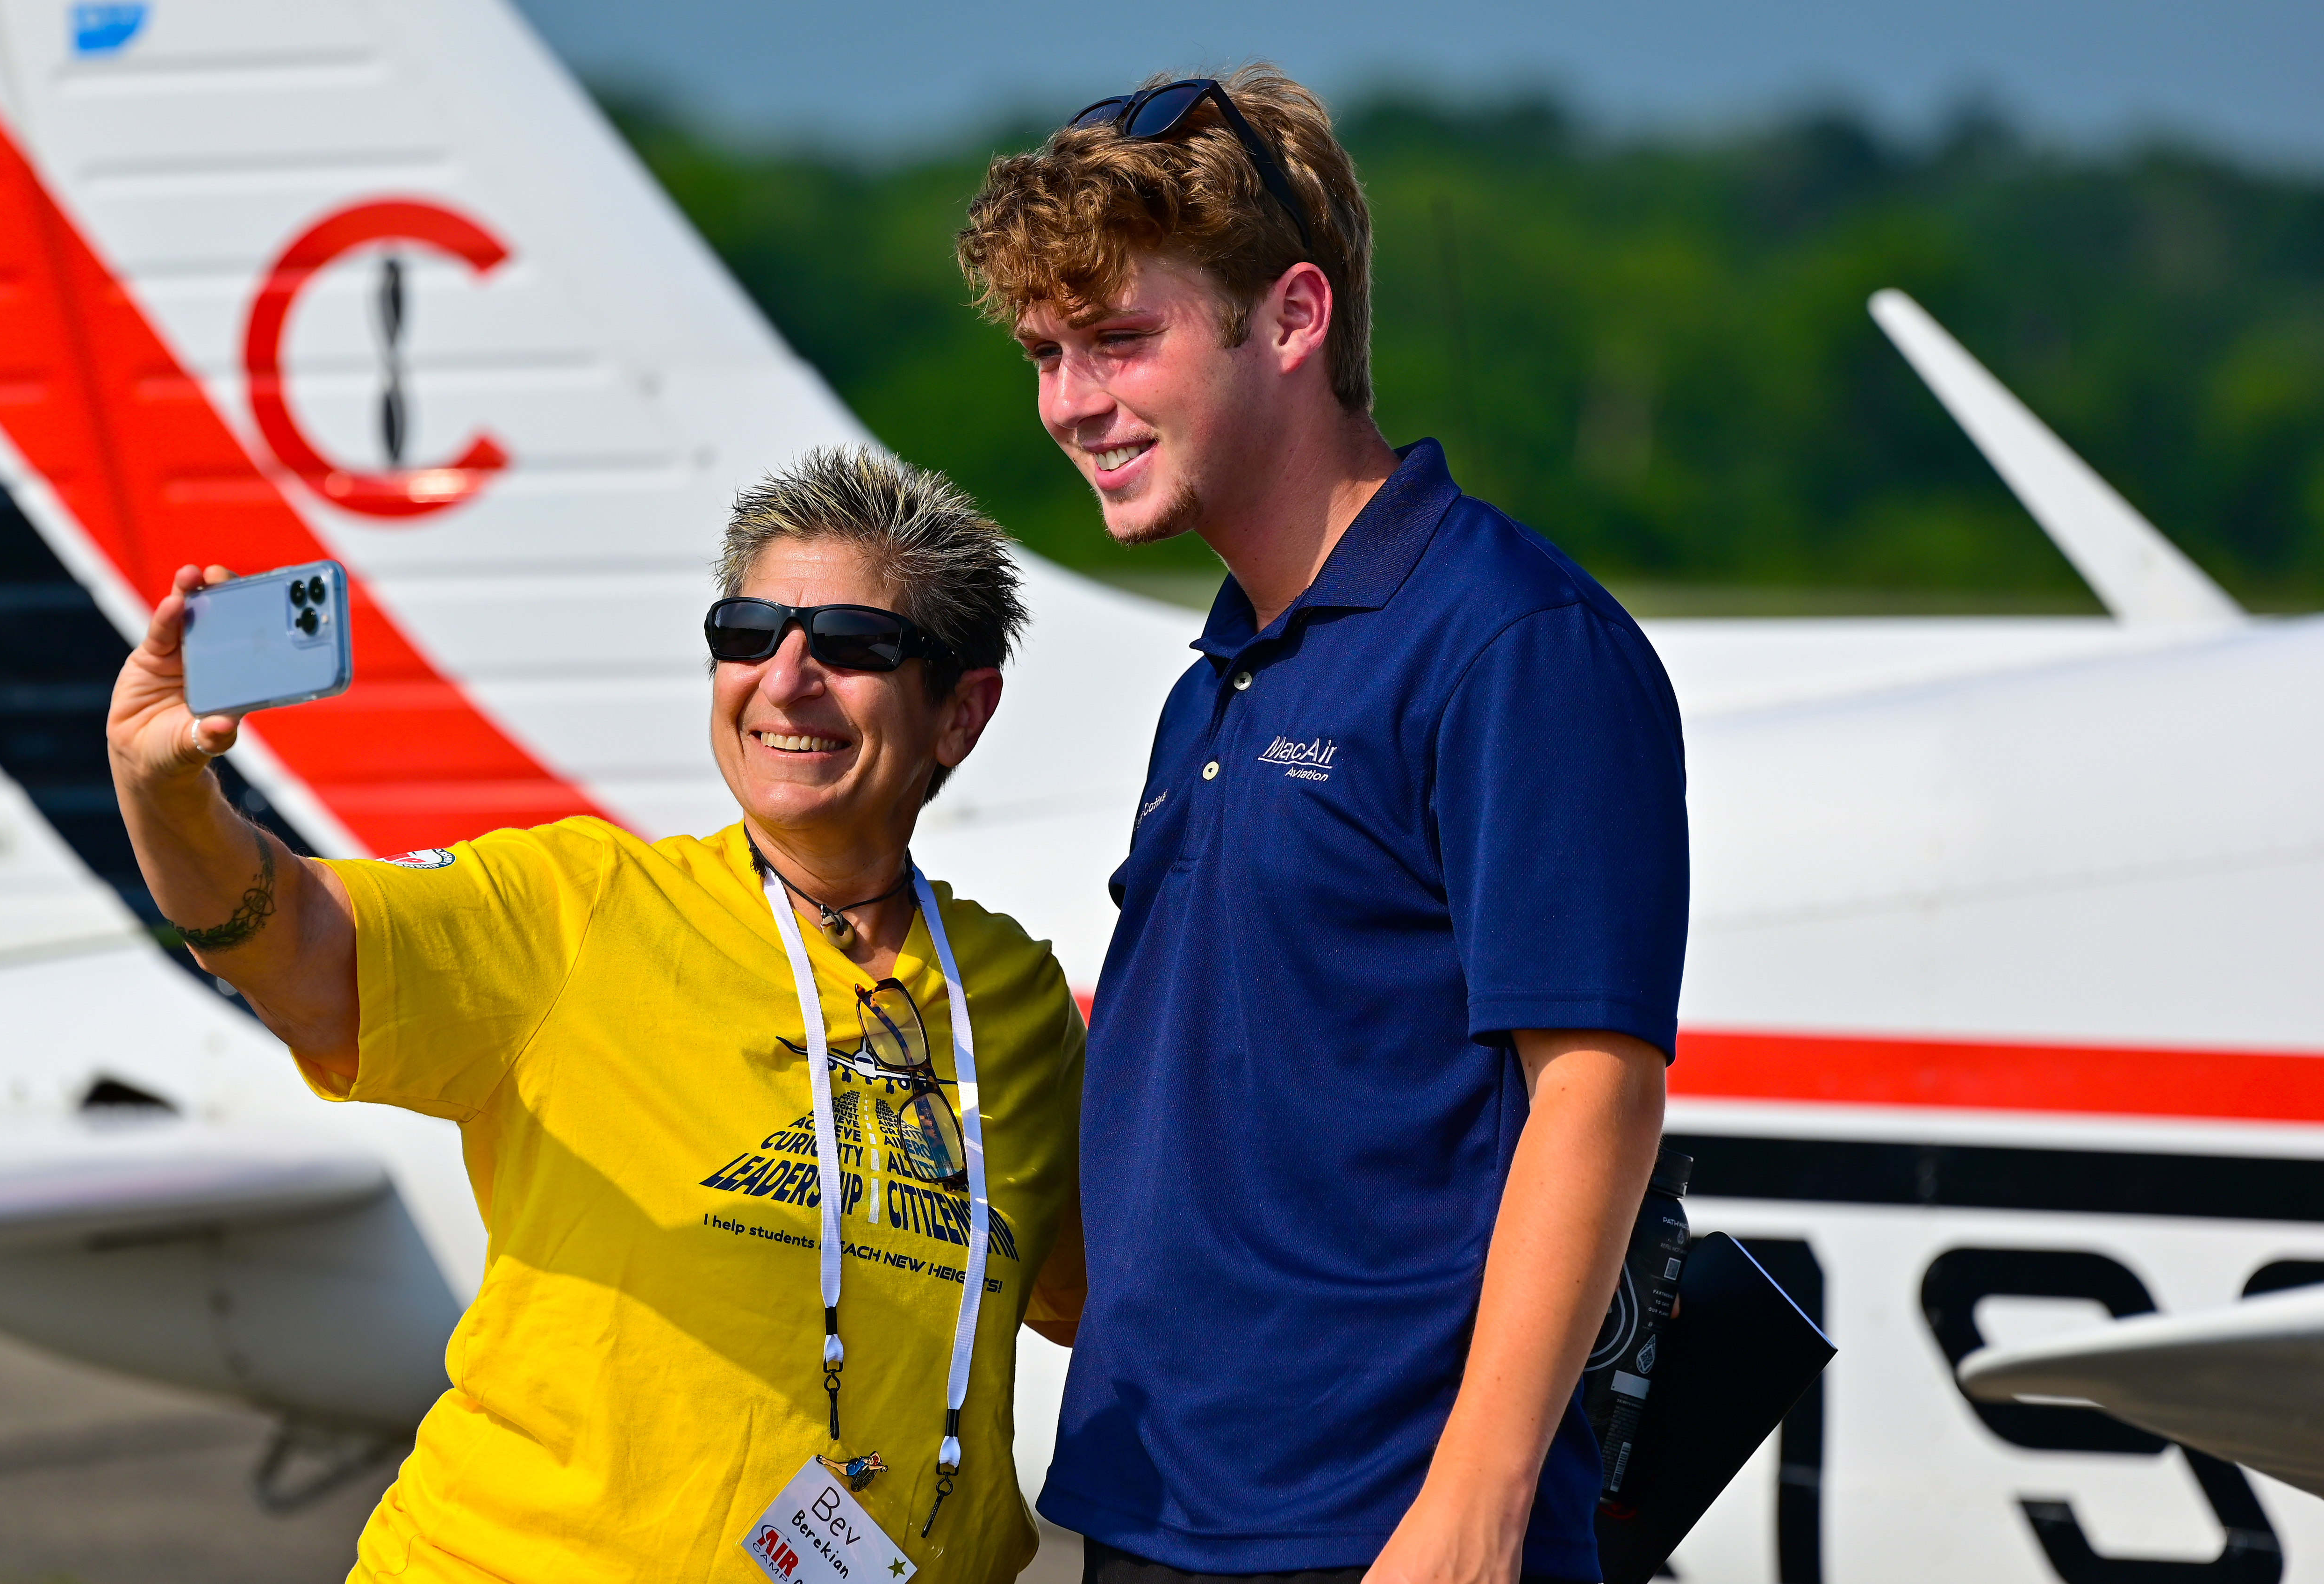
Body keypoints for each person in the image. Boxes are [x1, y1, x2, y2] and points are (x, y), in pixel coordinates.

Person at [103, 446, 1087, 1582]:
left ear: (961, 711)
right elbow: (295, 942)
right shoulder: (580, 907)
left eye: (855, 645)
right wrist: (160, 784)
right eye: (749, 631)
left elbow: (1100, 1302)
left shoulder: (1012, 1001)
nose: (787, 676)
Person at [957, 68, 1688, 1584]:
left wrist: (1474, 1513)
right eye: (1044, 353)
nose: (1070, 402)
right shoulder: (1220, 672)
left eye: (1117, 340)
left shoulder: (1509, 639)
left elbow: (1595, 1092)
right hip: (1154, 1510)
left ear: (1292, 318)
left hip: (1378, 1529)